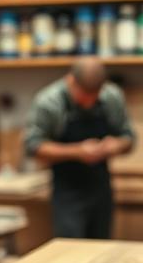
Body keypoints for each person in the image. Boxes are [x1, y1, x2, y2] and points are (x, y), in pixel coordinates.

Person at [24, 58, 135, 239]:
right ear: (71, 81)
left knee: (100, 251)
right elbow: (32, 146)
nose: (89, 103)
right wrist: (77, 151)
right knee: (70, 250)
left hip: (101, 187)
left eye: (95, 96)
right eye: (84, 96)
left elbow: (129, 138)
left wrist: (115, 145)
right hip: (67, 191)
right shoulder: (49, 102)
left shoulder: (112, 97)